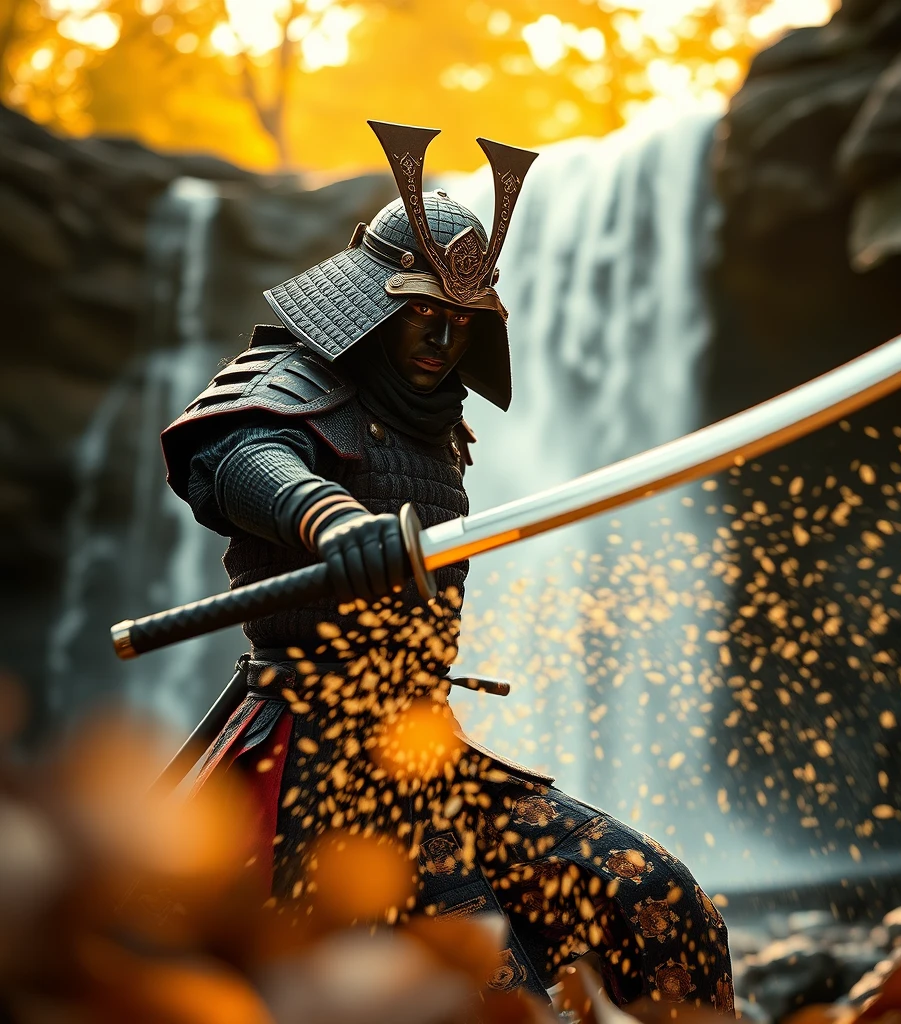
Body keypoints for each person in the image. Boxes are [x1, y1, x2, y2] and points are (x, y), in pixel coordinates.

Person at [161, 121, 734, 1012]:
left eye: (461, 323)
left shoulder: (439, 425)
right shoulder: (292, 377)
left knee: (659, 902)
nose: (441, 339)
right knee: (485, 994)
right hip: (318, 760)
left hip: (426, 747)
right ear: (374, 306)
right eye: (424, 313)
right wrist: (330, 517)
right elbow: (233, 455)